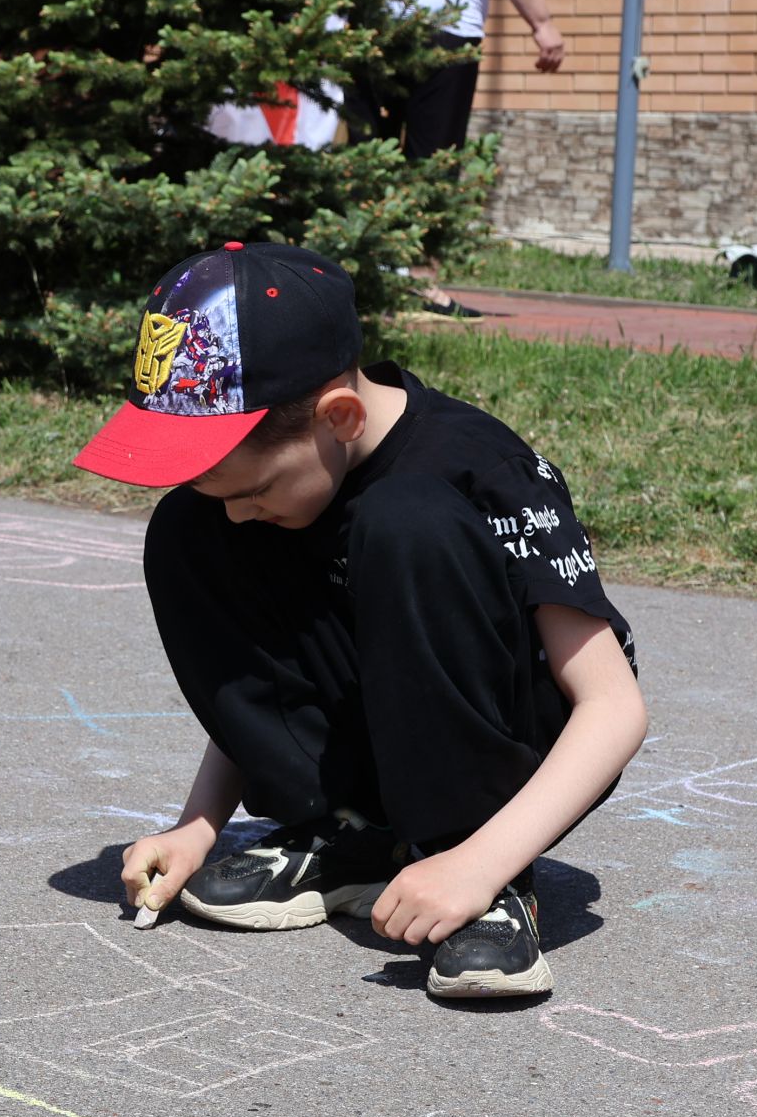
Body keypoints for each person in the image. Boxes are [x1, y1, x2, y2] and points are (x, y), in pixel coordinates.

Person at [72, 241, 645, 1000]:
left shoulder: (478, 470)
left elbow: (614, 708)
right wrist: (200, 823)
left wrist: (478, 863)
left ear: (338, 417)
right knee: (185, 525)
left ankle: (481, 879)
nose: (241, 512)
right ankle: (354, 837)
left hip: (503, 764)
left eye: (255, 488)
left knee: (404, 522)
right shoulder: (270, 489)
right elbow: (262, 665)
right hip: (371, 739)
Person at [352, 0, 568, 316]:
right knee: (435, 160)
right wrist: (542, 23)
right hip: (446, 29)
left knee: (369, 154)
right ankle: (416, 283)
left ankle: (366, 284)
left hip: (371, 26)